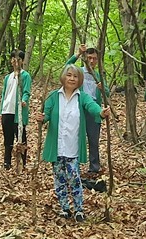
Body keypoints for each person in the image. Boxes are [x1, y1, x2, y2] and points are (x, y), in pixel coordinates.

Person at [39, 64, 108, 222]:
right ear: (63, 77)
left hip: (73, 147)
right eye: (69, 75)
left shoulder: (82, 97)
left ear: (80, 80)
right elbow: (47, 114)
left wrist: (101, 112)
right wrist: (42, 118)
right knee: (59, 178)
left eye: (75, 76)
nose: (71, 78)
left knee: (74, 177)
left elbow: (92, 107)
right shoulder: (53, 96)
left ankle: (78, 209)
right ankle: (64, 208)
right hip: (57, 146)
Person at [65, 44, 105, 178]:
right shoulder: (78, 72)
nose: (92, 61)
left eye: (94, 58)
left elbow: (108, 93)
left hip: (94, 111)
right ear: (85, 59)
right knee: (76, 138)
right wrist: (77, 54)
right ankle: (73, 165)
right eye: (89, 58)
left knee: (93, 140)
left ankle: (94, 168)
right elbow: (67, 66)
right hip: (80, 109)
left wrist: (102, 88)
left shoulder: (99, 75)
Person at [0, 50, 32, 169]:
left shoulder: (25, 75)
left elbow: (26, 91)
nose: (15, 61)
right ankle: (7, 162)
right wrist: (0, 111)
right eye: (13, 59)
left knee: (21, 137)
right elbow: (4, 94)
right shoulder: (7, 77)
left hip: (18, 111)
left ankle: (23, 163)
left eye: (18, 59)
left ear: (22, 61)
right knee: (7, 138)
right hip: (6, 110)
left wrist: (24, 100)